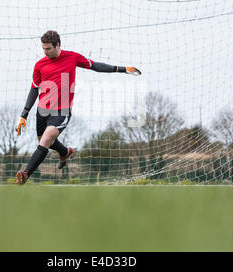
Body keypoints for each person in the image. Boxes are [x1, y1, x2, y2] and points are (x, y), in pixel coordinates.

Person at [15, 30, 141, 185]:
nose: (45, 52)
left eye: (48, 48)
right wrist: (24, 114)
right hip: (42, 110)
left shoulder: (72, 57)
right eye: (43, 49)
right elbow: (34, 89)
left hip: (62, 110)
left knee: (46, 139)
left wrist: (121, 69)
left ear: (57, 45)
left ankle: (25, 174)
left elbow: (94, 65)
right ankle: (64, 152)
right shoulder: (39, 65)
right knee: (44, 139)